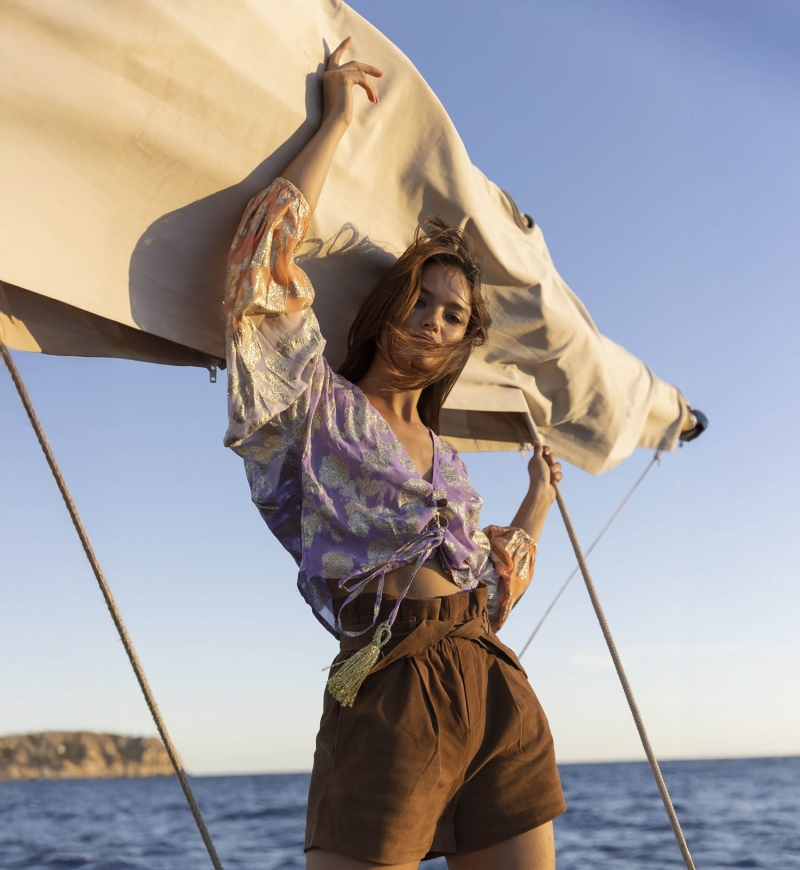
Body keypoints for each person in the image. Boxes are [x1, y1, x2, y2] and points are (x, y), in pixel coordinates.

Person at [224, 37, 566, 870]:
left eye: (455, 316)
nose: (436, 320)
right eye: (425, 298)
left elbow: (492, 592)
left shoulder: (450, 464)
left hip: (495, 685)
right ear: (390, 303)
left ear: (461, 345)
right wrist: (336, 123)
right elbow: (261, 277)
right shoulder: (318, 405)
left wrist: (537, 501)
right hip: (389, 679)